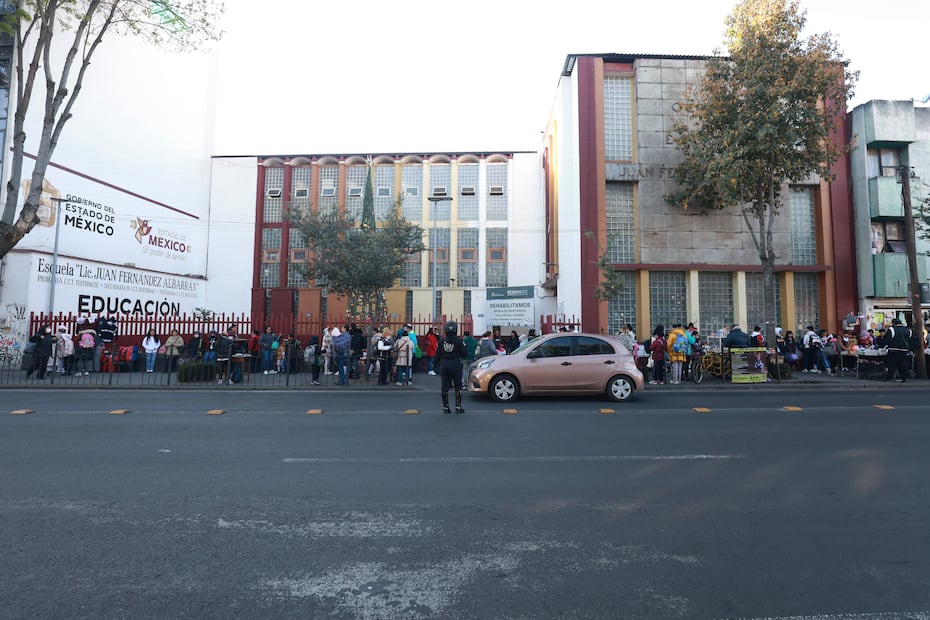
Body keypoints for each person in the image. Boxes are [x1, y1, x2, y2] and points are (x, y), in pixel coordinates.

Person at [435, 320, 466, 413]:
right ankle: (458, 407)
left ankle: (445, 406)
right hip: (455, 363)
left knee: (444, 386)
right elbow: (464, 353)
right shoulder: (459, 340)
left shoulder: (441, 341)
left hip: (444, 364)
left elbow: (437, 355)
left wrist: (435, 365)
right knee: (458, 385)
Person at [879, 318, 913, 382]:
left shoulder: (892, 329)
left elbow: (886, 339)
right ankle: (904, 378)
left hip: (893, 349)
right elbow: (910, 339)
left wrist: (884, 345)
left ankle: (889, 377)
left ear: (893, 323)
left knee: (891, 364)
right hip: (904, 349)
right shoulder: (908, 330)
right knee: (903, 364)